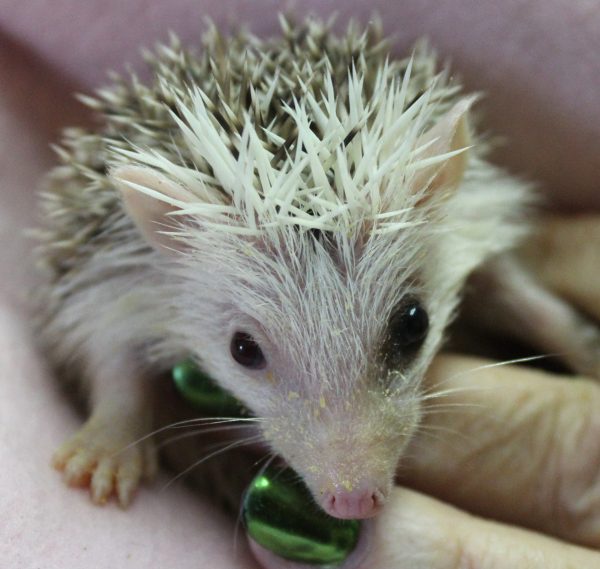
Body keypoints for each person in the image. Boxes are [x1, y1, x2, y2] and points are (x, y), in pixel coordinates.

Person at [1, 2, 599, 567]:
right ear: (166, 229)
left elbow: (500, 262)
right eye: (249, 349)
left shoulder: (440, 208)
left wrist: (567, 336)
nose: (351, 487)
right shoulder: (152, 257)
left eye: (405, 328)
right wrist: (119, 418)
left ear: (440, 175)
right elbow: (109, 326)